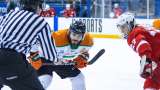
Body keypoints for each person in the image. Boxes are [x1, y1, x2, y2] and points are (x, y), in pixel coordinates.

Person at [0, 0, 60, 89]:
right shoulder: (40, 21)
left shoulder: (9, 15)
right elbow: (49, 51)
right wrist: (56, 59)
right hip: (12, 61)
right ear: (37, 7)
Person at [28, 20, 94, 90]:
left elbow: (86, 50)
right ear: (69, 33)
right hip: (44, 59)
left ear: (83, 36)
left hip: (62, 61)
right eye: (74, 35)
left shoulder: (88, 41)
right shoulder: (57, 37)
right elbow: (35, 40)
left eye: (79, 36)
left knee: (79, 79)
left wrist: (83, 56)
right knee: (45, 81)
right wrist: (34, 56)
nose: (75, 38)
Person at [116, 12, 160, 90]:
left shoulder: (133, 34)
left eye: (123, 27)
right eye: (120, 28)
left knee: (151, 84)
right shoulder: (140, 29)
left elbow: (144, 46)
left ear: (131, 24)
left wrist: (146, 64)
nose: (122, 30)